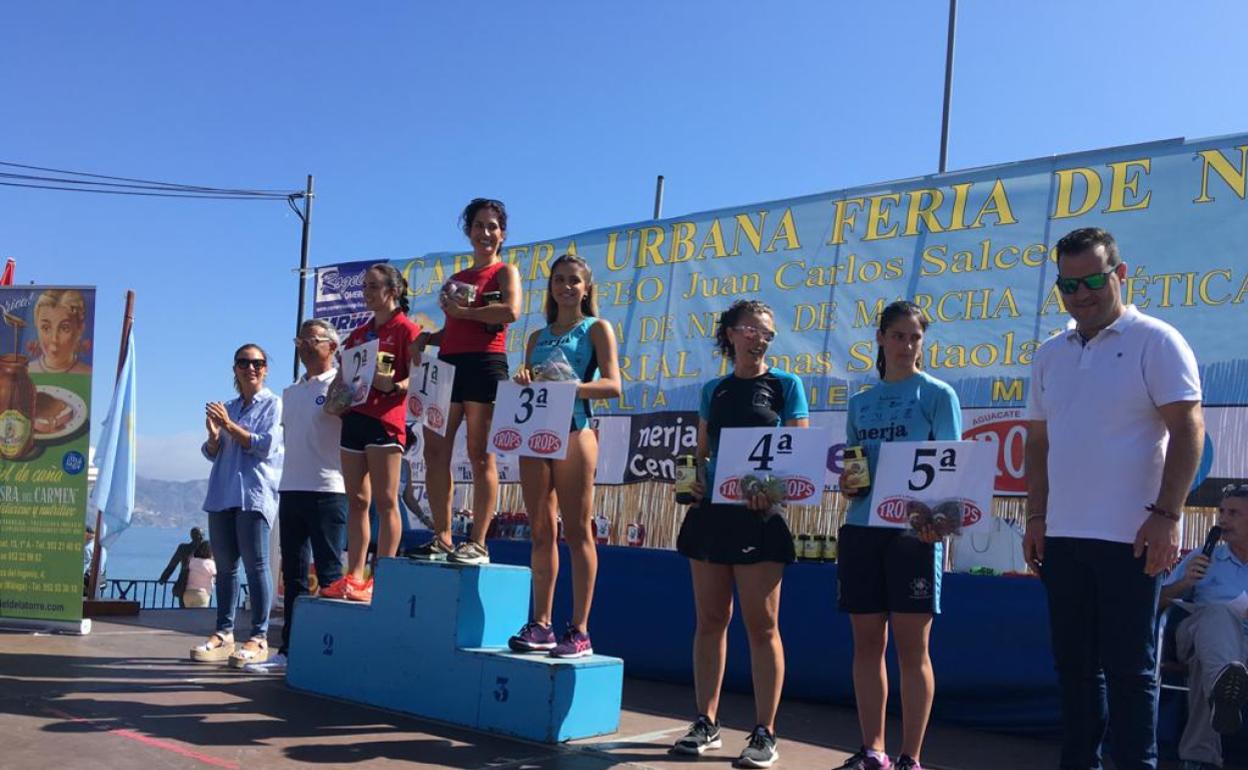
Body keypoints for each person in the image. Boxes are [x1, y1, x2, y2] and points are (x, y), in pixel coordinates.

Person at [1024, 227, 1204, 770]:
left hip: (1132, 539)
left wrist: (1167, 517)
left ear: (1120, 275)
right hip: (1063, 538)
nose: (1081, 295)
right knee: (1075, 670)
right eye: (1068, 285)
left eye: (1094, 280)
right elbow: (1038, 442)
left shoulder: (1157, 340)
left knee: (1131, 671)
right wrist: (1036, 516)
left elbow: (1188, 428)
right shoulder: (1050, 354)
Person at [670, 299, 808, 769]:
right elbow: (702, 453)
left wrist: (770, 491)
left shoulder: (787, 386)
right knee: (710, 622)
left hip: (761, 519)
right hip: (713, 518)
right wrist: (693, 480)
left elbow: (797, 453)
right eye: (752, 329)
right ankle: (705, 723)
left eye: (768, 331)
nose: (760, 337)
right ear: (730, 333)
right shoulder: (715, 390)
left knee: (762, 627)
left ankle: (764, 733)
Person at [834, 300, 961, 770]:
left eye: (915, 337)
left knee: (913, 649)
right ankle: (873, 750)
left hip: (914, 536)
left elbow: (951, 470)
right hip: (863, 529)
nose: (907, 345)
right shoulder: (860, 403)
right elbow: (854, 470)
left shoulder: (937, 395)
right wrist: (849, 483)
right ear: (882, 339)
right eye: (899, 336)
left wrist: (936, 523)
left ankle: (911, 756)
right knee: (867, 646)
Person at [506, 254, 621, 659]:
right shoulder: (537, 337)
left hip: (574, 432)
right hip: (535, 433)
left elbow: (612, 385)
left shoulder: (596, 328)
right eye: (559, 280)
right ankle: (542, 624)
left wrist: (571, 387)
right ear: (550, 286)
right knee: (540, 529)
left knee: (577, 531)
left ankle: (580, 629)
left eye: (574, 280)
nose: (566, 287)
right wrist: (523, 379)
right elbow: (531, 384)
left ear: (586, 287)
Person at [409, 198, 521, 565]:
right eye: (478, 226)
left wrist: (465, 312)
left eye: (492, 226)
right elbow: (456, 328)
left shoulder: (505, 272)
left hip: (487, 364)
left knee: (480, 453)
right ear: (468, 231)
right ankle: (441, 537)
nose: (485, 233)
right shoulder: (457, 280)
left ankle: (478, 542)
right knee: (433, 449)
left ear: (502, 234)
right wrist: (429, 338)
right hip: (448, 364)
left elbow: (511, 311)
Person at [247, 320, 349, 673]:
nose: (304, 345)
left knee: (330, 575)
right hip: (290, 489)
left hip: (329, 489)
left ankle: (330, 653)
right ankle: (289, 649)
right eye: (300, 340)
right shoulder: (290, 393)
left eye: (312, 340)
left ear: (332, 347)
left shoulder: (342, 385)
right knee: (292, 575)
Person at [321, 265, 420, 602]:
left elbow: (418, 379)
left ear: (393, 290)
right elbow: (345, 376)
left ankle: (385, 576)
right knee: (357, 501)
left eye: (374, 286)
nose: (367, 293)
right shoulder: (360, 334)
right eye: (364, 286)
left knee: (386, 500)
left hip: (386, 422)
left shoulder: (407, 330)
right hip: (355, 419)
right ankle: (354, 576)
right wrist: (338, 394)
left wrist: (392, 384)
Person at [191, 343, 283, 668]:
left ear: (265, 368)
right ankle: (224, 633)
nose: (251, 368)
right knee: (226, 568)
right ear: (235, 369)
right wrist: (214, 437)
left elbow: (265, 446)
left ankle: (259, 637)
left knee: (257, 565)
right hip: (222, 493)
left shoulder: (273, 404)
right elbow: (213, 452)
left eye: (257, 362)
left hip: (253, 494)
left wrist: (229, 426)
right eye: (243, 362)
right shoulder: (228, 406)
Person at [1160, 483, 1248, 770]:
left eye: (1233, 513)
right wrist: (1185, 583)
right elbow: (1155, 603)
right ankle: (1224, 682)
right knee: (1217, 617)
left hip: (1231, 650)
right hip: (1197, 633)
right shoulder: (1203, 557)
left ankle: (1199, 759)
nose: (1222, 520)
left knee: (1213, 663)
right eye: (1221, 511)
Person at [29, 289, 91, 374]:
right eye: (46, 328)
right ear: (37, 325)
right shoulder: (26, 372)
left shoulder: (88, 374)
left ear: (80, 330)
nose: (54, 339)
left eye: (64, 328)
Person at [158, 527, 205, 607]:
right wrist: (164, 577)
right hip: (184, 587)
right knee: (185, 612)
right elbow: (173, 564)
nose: (200, 537)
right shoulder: (183, 548)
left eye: (199, 535)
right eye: (196, 535)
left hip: (200, 589)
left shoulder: (206, 550)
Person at [184, 540, 217, 608]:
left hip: (187, 594)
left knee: (188, 617)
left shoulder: (192, 561)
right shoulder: (210, 563)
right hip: (201, 595)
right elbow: (218, 575)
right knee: (200, 617)